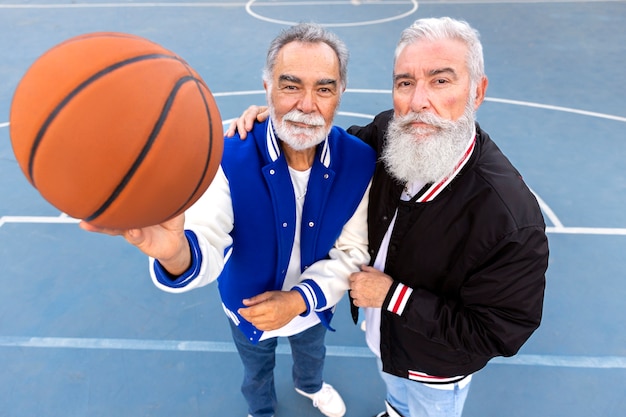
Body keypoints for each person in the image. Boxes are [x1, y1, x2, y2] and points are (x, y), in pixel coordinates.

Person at [228, 17, 549, 417]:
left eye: (440, 81)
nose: (418, 101)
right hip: (387, 340)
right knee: (395, 394)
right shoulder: (388, 134)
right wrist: (278, 121)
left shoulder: (510, 217)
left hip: (436, 369)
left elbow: (498, 330)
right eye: (404, 83)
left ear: (477, 91)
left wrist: (393, 297)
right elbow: (326, 146)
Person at [81, 22, 376, 417]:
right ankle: (261, 409)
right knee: (256, 368)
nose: (307, 104)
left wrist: (298, 300)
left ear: (340, 94)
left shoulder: (359, 161)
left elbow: (353, 250)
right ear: (267, 87)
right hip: (246, 311)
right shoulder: (227, 154)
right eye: (290, 86)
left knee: (312, 354)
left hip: (312, 308)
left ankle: (311, 387)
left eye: (323, 88)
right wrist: (175, 254)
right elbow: (207, 238)